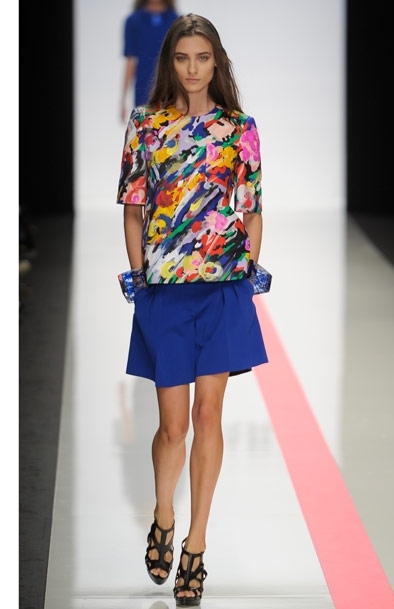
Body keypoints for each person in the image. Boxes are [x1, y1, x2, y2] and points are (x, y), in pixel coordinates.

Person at [116, 13, 268, 606]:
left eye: (203, 58)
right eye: (183, 58)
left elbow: (251, 208)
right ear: (170, 63)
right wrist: (139, 278)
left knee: (208, 416)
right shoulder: (146, 125)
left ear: (216, 62)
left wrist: (248, 266)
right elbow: (134, 209)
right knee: (172, 426)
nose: (193, 68)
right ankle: (163, 513)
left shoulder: (240, 128)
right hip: (166, 289)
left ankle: (196, 545)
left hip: (223, 286)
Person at [120, 0, 179, 123]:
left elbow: (181, 59)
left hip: (172, 89)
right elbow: (130, 62)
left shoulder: (176, 21)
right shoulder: (133, 21)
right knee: (146, 130)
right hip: (143, 90)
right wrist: (123, 100)